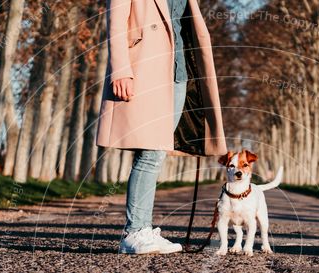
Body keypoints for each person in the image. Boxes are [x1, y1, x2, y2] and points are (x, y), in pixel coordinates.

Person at [96, 0, 227, 254]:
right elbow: (116, 21)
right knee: (150, 151)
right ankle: (135, 232)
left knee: (156, 153)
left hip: (178, 73)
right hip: (145, 69)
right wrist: (121, 70)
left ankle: (142, 228)